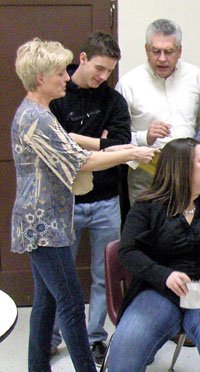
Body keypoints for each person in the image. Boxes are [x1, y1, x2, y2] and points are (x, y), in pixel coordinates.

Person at [11, 38, 156, 372]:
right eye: (60, 73)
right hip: (44, 226)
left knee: (47, 303)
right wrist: (132, 152)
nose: (66, 78)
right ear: (40, 78)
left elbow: (81, 153)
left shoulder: (39, 112)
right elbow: (81, 161)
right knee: (72, 304)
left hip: (47, 222)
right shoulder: (38, 119)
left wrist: (116, 148)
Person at [105, 138, 200, 371]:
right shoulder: (147, 204)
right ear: (181, 169)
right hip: (158, 291)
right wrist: (164, 276)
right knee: (125, 349)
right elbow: (128, 251)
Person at [47, 31, 129, 365]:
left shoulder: (113, 100)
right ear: (82, 58)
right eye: (98, 68)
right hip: (64, 200)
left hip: (106, 200)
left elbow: (121, 144)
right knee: (57, 275)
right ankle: (51, 336)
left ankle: (95, 337)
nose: (103, 76)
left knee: (103, 275)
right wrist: (99, 141)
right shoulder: (55, 91)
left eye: (108, 71)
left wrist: (75, 139)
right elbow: (55, 144)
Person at [116, 18, 200, 203]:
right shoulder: (128, 84)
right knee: (147, 229)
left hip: (188, 169)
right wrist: (145, 136)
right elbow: (117, 139)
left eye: (169, 51)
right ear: (146, 49)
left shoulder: (195, 76)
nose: (162, 58)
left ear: (180, 51)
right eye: (155, 51)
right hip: (147, 171)